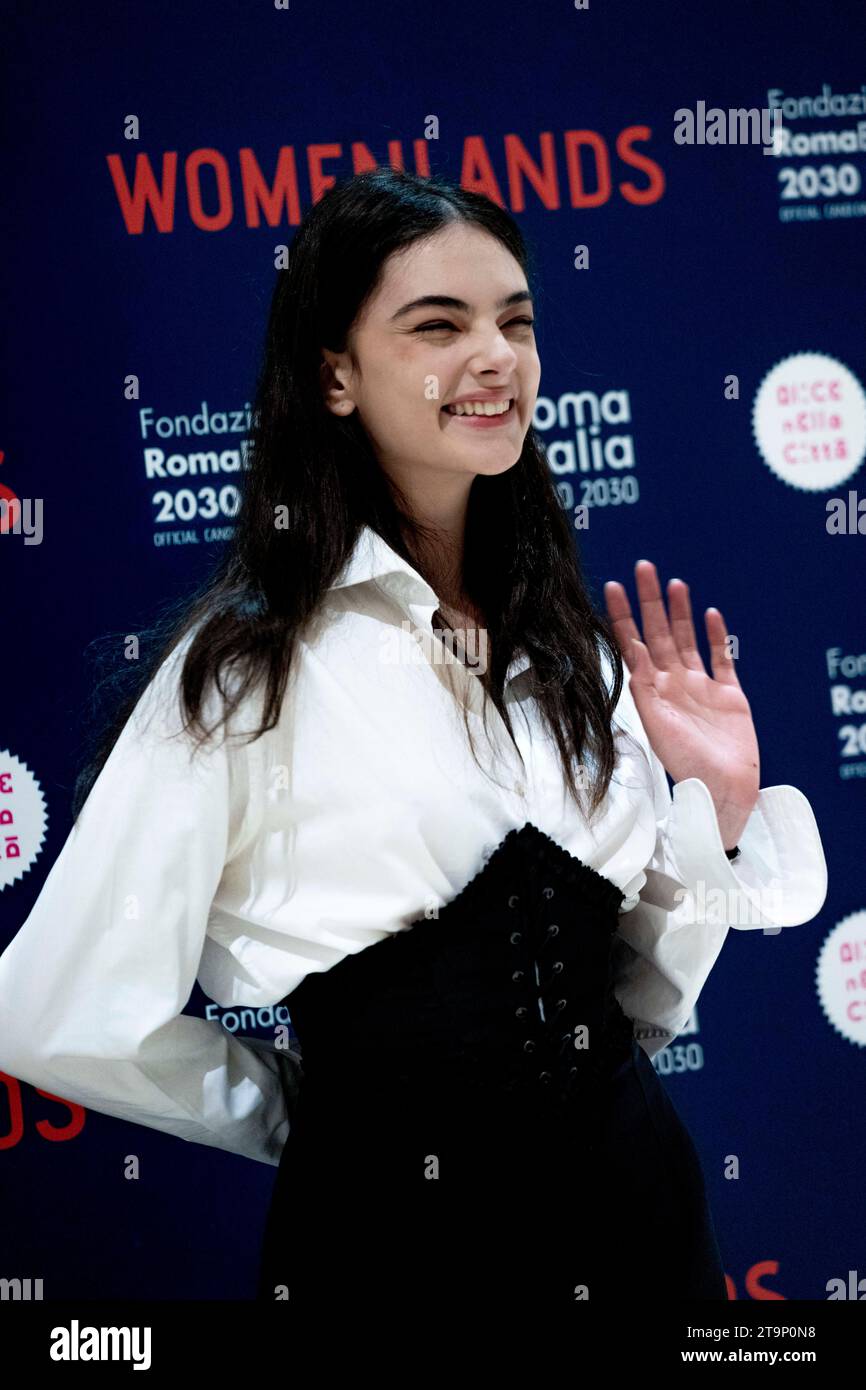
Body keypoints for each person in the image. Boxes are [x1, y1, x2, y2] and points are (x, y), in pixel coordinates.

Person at [0, 169, 827, 1316]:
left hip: (642, 1219)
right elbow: (52, 1013)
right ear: (334, 374)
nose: (494, 356)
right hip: (394, 1250)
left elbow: (641, 997)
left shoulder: (569, 648)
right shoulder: (247, 674)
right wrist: (312, 1118)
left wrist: (716, 816)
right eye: (438, 325)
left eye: (514, 321)